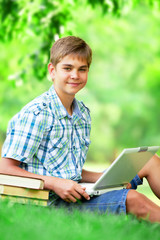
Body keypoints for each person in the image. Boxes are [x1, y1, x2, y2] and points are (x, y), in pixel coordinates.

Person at [0, 36, 160, 223]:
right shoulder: (37, 114)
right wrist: (55, 183)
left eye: (82, 69)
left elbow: (69, 170)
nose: (75, 75)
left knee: (149, 161)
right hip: (49, 203)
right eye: (67, 68)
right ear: (52, 71)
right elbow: (5, 168)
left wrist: (102, 178)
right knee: (135, 200)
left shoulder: (82, 114)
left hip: (77, 192)